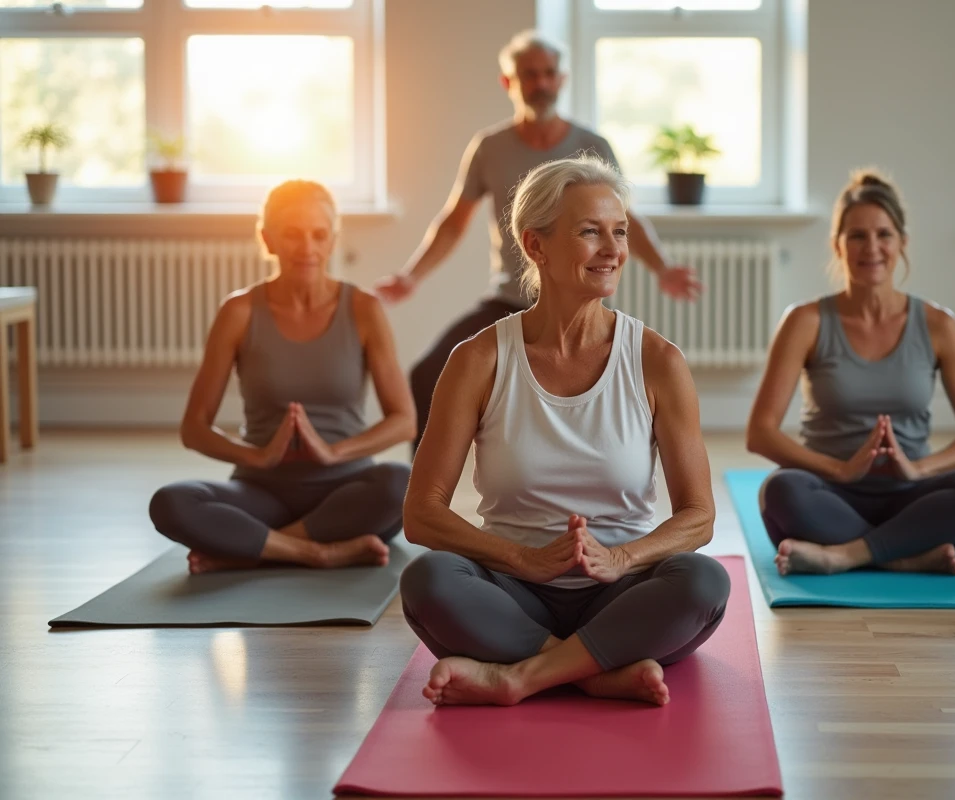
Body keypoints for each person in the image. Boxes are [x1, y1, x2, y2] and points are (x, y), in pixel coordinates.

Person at [398, 156, 730, 708]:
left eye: (619, 231)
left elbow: (699, 516)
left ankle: (519, 676)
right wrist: (522, 560)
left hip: (620, 591)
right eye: (589, 232)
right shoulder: (478, 359)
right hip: (513, 589)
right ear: (536, 246)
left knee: (702, 583)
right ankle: (595, 673)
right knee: (429, 581)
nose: (614, 250)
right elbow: (421, 513)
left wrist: (624, 560)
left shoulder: (657, 361)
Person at [375, 29, 702, 453]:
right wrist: (411, 276)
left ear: (561, 79)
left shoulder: (591, 146)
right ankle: (428, 490)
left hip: (577, 304)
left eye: (549, 73)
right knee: (427, 373)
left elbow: (626, 219)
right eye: (529, 74)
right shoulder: (490, 148)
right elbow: (454, 221)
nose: (541, 83)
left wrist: (663, 267)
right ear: (508, 82)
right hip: (508, 300)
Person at [746, 169, 955, 577]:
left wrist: (919, 469)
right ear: (838, 245)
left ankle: (847, 555)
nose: (872, 247)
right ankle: (906, 556)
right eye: (857, 236)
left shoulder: (939, 325)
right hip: (830, 493)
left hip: (913, 496)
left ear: (902, 242)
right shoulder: (805, 321)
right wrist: (840, 470)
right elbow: (760, 432)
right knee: (782, 492)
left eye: (883, 234)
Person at [149, 180, 417, 574]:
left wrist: (334, 453)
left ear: (332, 241)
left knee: (401, 483)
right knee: (170, 502)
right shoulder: (238, 312)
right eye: (291, 235)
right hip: (261, 491)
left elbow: (404, 421)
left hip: (347, 493)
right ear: (267, 239)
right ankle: (318, 552)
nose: (306, 248)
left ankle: (253, 548)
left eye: (318, 235)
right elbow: (194, 428)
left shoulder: (363, 310)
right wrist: (255, 455)